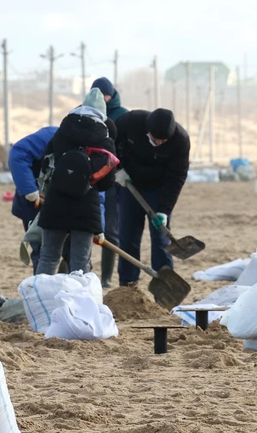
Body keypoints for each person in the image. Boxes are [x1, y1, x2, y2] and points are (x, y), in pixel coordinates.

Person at [36, 96, 118, 275]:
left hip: (56, 202)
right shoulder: (105, 139)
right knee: (80, 262)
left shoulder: (62, 132)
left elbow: (45, 164)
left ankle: (39, 299)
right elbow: (106, 182)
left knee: (48, 257)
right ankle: (79, 301)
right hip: (86, 207)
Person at [115, 108, 190, 289]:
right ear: (147, 130)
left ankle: (165, 286)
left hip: (159, 189)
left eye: (162, 141)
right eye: (155, 138)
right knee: (128, 235)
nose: (157, 143)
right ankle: (128, 284)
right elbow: (110, 142)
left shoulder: (181, 140)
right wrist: (117, 168)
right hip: (129, 182)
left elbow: (177, 177)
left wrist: (164, 209)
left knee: (161, 238)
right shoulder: (131, 121)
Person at [91, 77, 128, 288]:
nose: (101, 98)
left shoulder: (121, 115)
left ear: (110, 95)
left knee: (111, 229)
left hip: (113, 179)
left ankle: (106, 277)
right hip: (89, 177)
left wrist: (121, 168)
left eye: (103, 94)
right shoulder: (85, 112)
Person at [9, 125, 58, 272]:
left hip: (63, 205)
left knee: (71, 251)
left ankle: (68, 288)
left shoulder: (93, 146)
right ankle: (42, 289)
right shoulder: (50, 135)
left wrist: (97, 223)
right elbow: (18, 153)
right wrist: (29, 189)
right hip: (35, 202)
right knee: (41, 250)